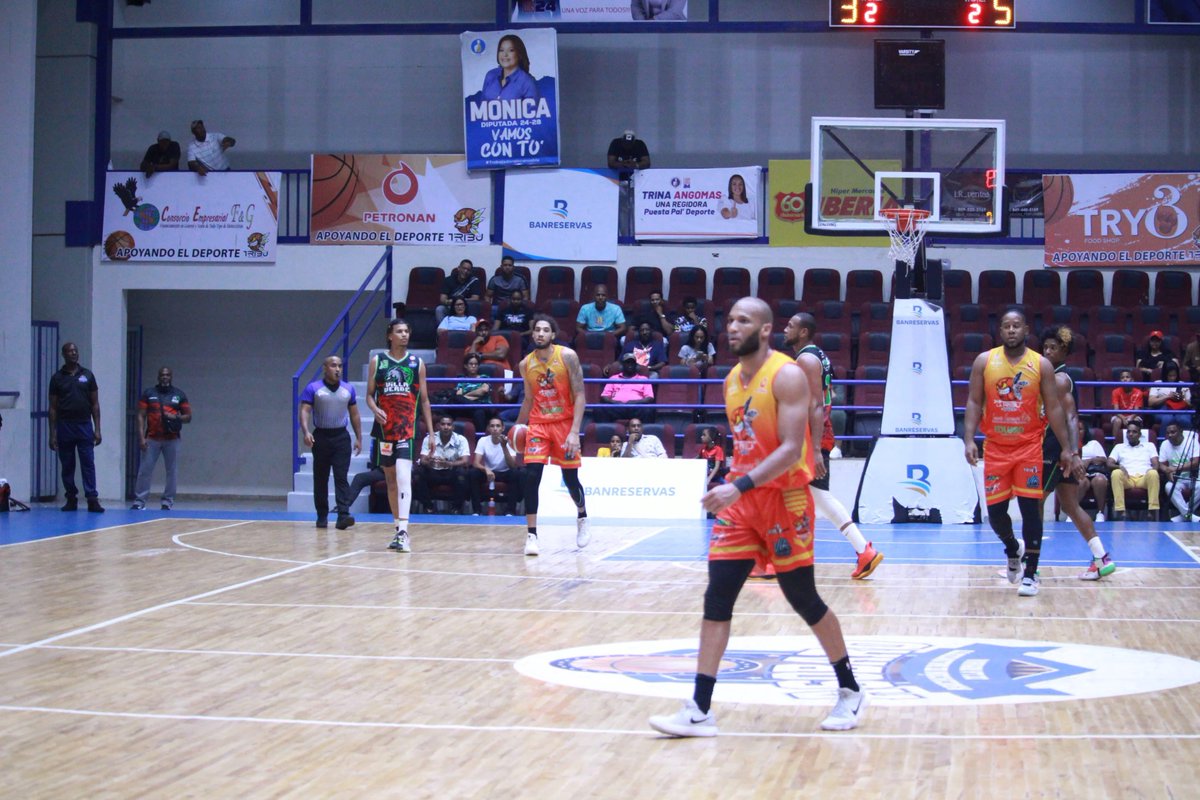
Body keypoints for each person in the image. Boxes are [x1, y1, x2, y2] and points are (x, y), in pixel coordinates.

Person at [648, 297, 866, 738]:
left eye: (743, 321)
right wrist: (735, 487)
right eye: (730, 320)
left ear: (765, 329)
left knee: (803, 598)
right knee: (717, 598)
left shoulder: (787, 375)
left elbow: (790, 448)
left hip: (785, 500)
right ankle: (699, 709)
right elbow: (749, 444)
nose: (732, 327)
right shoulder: (731, 379)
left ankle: (850, 689)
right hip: (742, 504)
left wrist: (739, 485)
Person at [963, 310, 1081, 598]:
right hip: (996, 448)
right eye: (1007, 326)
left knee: (1031, 510)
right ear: (1000, 330)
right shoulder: (984, 361)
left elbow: (1054, 408)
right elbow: (974, 401)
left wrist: (1067, 448)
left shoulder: (1040, 364)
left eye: (1017, 325)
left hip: (1029, 447)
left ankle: (1031, 574)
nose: (1012, 330)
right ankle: (1012, 548)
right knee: (995, 514)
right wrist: (968, 439)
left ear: (1026, 329)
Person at [785, 313, 883, 579]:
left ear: (803, 332)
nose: (785, 329)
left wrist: (816, 448)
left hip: (811, 436)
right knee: (814, 497)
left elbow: (816, 404)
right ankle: (863, 550)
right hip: (812, 434)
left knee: (806, 495)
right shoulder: (817, 356)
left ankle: (778, 557)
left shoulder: (806, 359)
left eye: (791, 326)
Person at [1038, 326, 1115, 580]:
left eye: (1053, 347)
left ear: (1065, 351)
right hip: (1063, 450)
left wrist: (1071, 452)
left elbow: (1072, 417)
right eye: (1045, 347)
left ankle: (1030, 563)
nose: (1047, 351)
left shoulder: (1059, 379)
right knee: (1071, 506)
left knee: (1035, 503)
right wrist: (1074, 451)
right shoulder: (1056, 376)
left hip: (1053, 449)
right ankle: (1101, 558)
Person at [515, 314, 589, 556]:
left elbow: (580, 395)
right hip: (538, 424)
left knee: (570, 480)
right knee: (531, 476)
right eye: (537, 329)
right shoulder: (525, 364)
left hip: (565, 424)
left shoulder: (567, 356)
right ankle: (532, 535)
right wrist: (517, 428)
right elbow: (528, 400)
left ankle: (582, 516)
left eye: (545, 330)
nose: (540, 333)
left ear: (553, 335)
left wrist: (575, 432)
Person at [366, 318, 436, 552]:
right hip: (385, 429)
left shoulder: (417, 363)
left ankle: (405, 532)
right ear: (390, 335)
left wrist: (431, 433)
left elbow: (424, 400)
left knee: (404, 476)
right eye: (399, 331)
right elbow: (369, 395)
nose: (404, 334)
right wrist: (374, 409)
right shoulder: (378, 361)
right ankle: (397, 530)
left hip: (407, 428)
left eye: (407, 331)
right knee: (390, 480)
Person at [299, 356, 363, 530]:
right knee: (321, 478)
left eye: (340, 366)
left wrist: (359, 437)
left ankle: (343, 515)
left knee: (341, 477)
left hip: (341, 437)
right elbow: (305, 411)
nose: (338, 369)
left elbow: (354, 414)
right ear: (325, 368)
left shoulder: (348, 389)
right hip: (321, 437)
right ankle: (322, 515)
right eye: (333, 366)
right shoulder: (313, 388)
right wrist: (305, 432)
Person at [48, 342, 103, 512]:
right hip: (65, 425)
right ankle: (71, 498)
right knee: (67, 464)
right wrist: (52, 434)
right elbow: (53, 407)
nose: (73, 353)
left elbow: (95, 404)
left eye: (75, 351)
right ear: (63, 355)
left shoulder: (87, 375)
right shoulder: (57, 378)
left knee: (88, 462)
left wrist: (97, 429)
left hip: (84, 425)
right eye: (70, 351)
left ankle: (92, 498)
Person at [131, 366, 192, 512]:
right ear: (158, 377)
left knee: (172, 471)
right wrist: (141, 437)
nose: (165, 377)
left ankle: (167, 502)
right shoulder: (149, 394)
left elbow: (188, 417)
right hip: (152, 438)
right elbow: (141, 415)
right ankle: (139, 501)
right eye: (162, 375)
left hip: (172, 439)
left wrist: (175, 417)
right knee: (145, 470)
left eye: (167, 375)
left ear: (171, 377)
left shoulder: (179, 395)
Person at [413, 415, 472, 514]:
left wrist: (449, 463)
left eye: (449, 424)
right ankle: (428, 507)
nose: (446, 427)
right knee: (418, 473)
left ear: (453, 427)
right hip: (433, 471)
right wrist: (430, 462)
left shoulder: (461, 439)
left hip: (451, 472)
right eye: (443, 424)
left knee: (463, 474)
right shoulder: (429, 439)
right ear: (438, 426)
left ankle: (456, 509)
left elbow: (465, 461)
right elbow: (422, 460)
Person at [1107, 421, 1160, 521]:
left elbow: (1156, 464)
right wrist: (1119, 467)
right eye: (1128, 432)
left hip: (1144, 478)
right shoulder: (1119, 447)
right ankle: (1120, 511)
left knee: (1153, 473)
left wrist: (1151, 471)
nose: (1131, 434)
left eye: (1134, 432)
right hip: (1127, 479)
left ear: (1139, 434)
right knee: (1115, 473)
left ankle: (1152, 511)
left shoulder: (1149, 446)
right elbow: (1109, 463)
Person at [471, 417, 524, 515]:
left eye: (498, 426)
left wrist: (504, 447)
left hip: (505, 472)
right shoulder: (483, 440)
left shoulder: (509, 441)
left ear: (502, 428)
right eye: (492, 426)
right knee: (473, 473)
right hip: (488, 473)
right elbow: (476, 463)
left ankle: (510, 511)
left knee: (516, 473)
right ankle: (477, 511)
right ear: (488, 428)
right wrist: (486, 469)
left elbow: (512, 465)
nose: (495, 428)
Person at [1158, 420, 1199, 522]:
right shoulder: (1165, 444)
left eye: (1173, 432)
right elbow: (1160, 464)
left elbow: (1195, 462)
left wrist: (1174, 468)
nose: (1170, 435)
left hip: (1194, 477)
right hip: (1177, 479)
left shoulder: (1191, 441)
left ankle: (1184, 516)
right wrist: (1167, 471)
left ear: (1181, 431)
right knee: (1168, 486)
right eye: (1168, 433)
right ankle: (1187, 515)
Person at [481, 34, 538, 101]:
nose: (505, 54)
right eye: (501, 50)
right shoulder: (491, 75)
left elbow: (533, 107)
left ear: (519, 54)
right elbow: (482, 104)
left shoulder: (527, 81)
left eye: (511, 50)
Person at [599, 354, 655, 421]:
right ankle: (607, 428)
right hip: (616, 407)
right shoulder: (613, 378)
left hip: (636, 408)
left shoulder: (644, 379)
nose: (630, 365)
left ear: (636, 365)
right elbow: (604, 396)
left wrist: (634, 403)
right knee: (599, 409)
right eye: (627, 362)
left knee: (649, 410)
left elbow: (649, 398)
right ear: (622, 365)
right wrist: (615, 402)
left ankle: (642, 428)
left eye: (632, 363)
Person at [1079, 422, 1111, 523]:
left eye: (1080, 429)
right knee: (1081, 482)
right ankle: (1073, 512)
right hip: (1078, 472)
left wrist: (1089, 461)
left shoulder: (1093, 444)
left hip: (1094, 471)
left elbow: (1103, 459)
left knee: (1100, 481)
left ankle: (1100, 513)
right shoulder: (1069, 445)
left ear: (1085, 431)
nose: (1077, 432)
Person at [454, 353, 493, 432]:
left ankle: (479, 438)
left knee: (479, 412)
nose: (473, 366)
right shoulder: (462, 379)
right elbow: (458, 395)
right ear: (466, 366)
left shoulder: (484, 377)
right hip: (468, 408)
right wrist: (475, 395)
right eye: (471, 364)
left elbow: (484, 390)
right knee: (457, 398)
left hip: (484, 405)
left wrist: (465, 396)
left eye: (476, 364)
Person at [1148, 363, 1192, 429]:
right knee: (1168, 419)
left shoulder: (1183, 384)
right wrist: (1168, 397)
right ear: (1165, 374)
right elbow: (1150, 402)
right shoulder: (1157, 383)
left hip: (1180, 410)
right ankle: (1163, 436)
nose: (1172, 378)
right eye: (1170, 376)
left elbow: (1189, 404)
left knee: (1184, 420)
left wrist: (1182, 398)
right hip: (1162, 409)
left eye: (1174, 375)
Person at [1109, 369, 1145, 445]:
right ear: (1120, 381)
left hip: (1134, 415)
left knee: (1136, 420)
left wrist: (1130, 418)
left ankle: (1137, 444)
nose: (1125, 379)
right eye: (1122, 378)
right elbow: (1116, 410)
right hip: (1119, 415)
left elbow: (1136, 411)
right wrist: (1123, 418)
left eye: (1127, 377)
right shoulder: (1115, 392)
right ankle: (1115, 444)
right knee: (1117, 421)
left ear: (1132, 380)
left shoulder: (1139, 392)